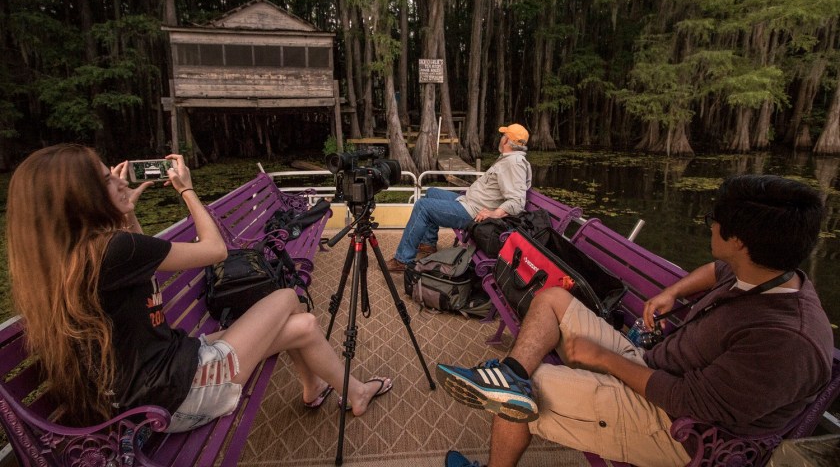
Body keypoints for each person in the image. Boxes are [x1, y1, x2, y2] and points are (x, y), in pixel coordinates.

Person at [436, 174, 834, 467]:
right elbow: (717, 270)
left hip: (679, 429)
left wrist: (603, 359)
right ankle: (511, 372)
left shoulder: (784, 341)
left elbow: (686, 402)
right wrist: (674, 291)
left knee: (521, 396)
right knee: (553, 298)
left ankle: (510, 399)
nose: (710, 222)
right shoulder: (767, 271)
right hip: (655, 366)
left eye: (715, 217)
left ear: (740, 241)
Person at [5, 144, 392, 432]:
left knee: (304, 326)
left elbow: (141, 265)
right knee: (289, 297)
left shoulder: (71, 256)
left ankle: (325, 390)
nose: (117, 178)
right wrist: (186, 189)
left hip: (157, 380)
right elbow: (215, 250)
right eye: (106, 178)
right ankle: (343, 390)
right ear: (81, 197)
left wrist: (128, 210)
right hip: (175, 396)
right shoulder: (111, 250)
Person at [386, 124, 533, 272]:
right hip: (469, 202)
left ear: (507, 141)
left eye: (503, 136)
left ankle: (403, 259)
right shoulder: (508, 160)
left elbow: (517, 202)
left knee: (422, 206)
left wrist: (493, 214)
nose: (501, 139)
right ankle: (428, 244)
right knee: (431, 192)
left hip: (473, 212)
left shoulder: (514, 164)